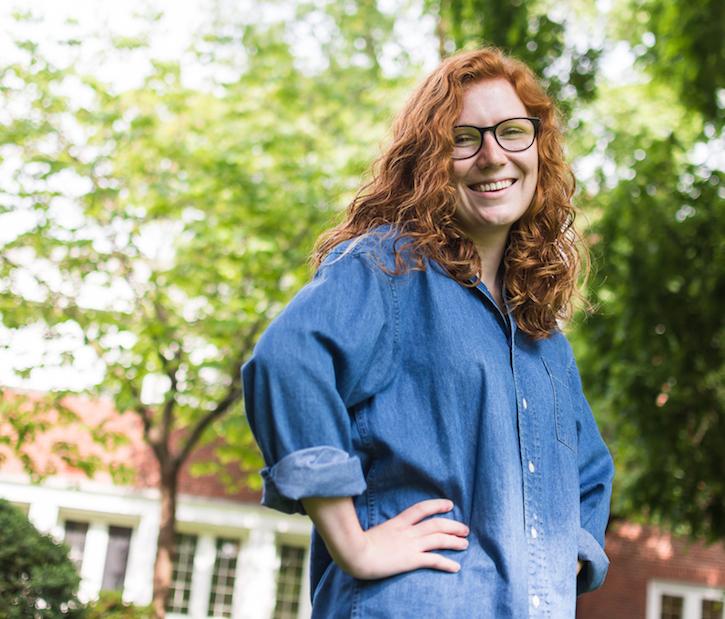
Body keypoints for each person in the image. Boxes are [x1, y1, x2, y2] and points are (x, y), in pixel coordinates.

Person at [242, 46, 614, 618]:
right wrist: (356, 546)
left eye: (512, 133)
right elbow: (287, 361)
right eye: (465, 138)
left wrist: (563, 564)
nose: (493, 156)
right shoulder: (388, 269)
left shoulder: (544, 341)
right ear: (432, 160)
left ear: (538, 150)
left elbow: (590, 472)